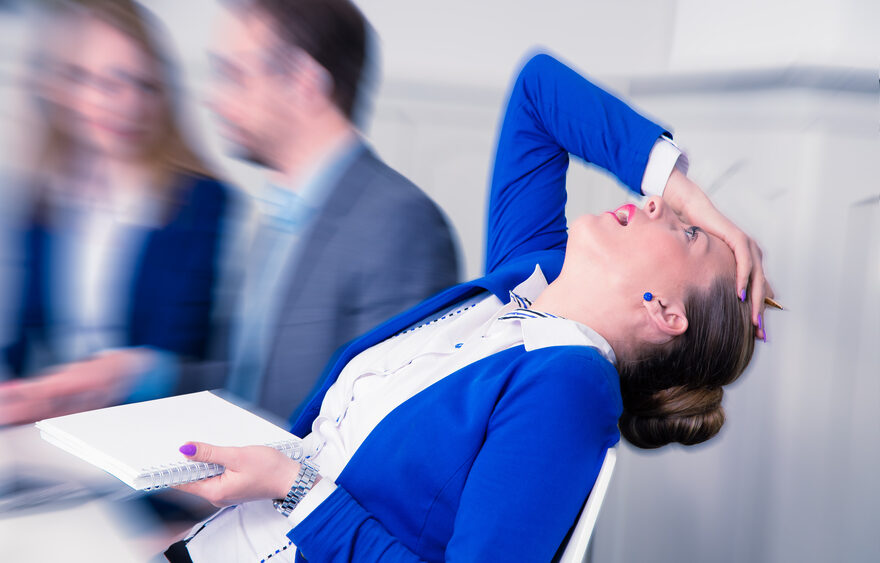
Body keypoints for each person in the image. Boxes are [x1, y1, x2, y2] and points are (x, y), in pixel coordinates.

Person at [161, 51, 776, 563]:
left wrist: (294, 488)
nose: (653, 206)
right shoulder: (526, 276)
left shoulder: (570, 386)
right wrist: (692, 198)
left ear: (667, 312)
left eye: (687, 235)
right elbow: (540, 91)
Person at [0, 0, 231, 427]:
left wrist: (59, 396)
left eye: (142, 85)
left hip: (150, 430)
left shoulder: (196, 200)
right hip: (50, 429)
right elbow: (12, 342)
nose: (125, 104)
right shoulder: (37, 195)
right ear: (62, 89)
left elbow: (178, 351)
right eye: (103, 84)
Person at [206, 0, 460, 420]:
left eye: (235, 75)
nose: (214, 99)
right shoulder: (285, 208)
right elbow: (250, 380)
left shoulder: (398, 223)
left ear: (304, 82)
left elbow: (380, 426)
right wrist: (143, 376)